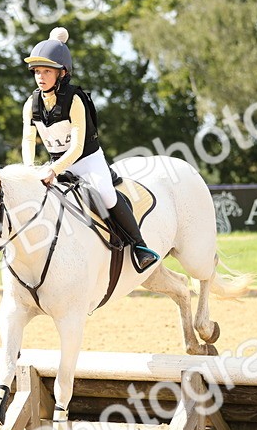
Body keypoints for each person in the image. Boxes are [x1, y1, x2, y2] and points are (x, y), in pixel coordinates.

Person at [21, 27, 160, 272]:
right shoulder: (31, 104)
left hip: (86, 159)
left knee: (105, 193)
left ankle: (139, 246)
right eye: (37, 72)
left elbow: (76, 146)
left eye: (47, 71)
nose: (40, 77)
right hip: (54, 163)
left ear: (62, 74)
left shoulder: (75, 100)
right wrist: (29, 170)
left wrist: (53, 170)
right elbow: (28, 141)